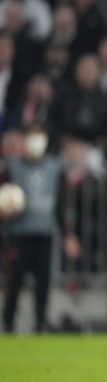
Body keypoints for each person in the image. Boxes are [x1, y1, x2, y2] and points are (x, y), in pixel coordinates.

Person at [2, 125, 60, 332]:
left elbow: (60, 201)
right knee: (15, 281)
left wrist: (67, 232)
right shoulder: (13, 167)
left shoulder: (53, 167)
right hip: (20, 233)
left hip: (45, 233)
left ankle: (40, 322)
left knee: (43, 282)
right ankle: (8, 322)